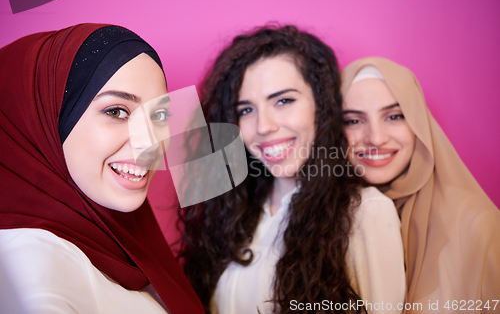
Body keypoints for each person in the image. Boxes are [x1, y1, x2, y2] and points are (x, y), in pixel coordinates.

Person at [180, 26, 405, 314]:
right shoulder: (229, 211)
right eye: (246, 110)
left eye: (284, 100)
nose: (264, 126)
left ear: (322, 106)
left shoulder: (367, 212)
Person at [0, 24, 204, 314]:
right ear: (43, 120)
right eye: (117, 111)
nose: (152, 143)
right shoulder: (32, 264)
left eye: (159, 115)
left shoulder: (114, 241)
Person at [341, 57, 500, 313]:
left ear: (419, 123)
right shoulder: (329, 221)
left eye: (394, 116)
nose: (376, 138)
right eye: (353, 121)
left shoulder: (476, 224)